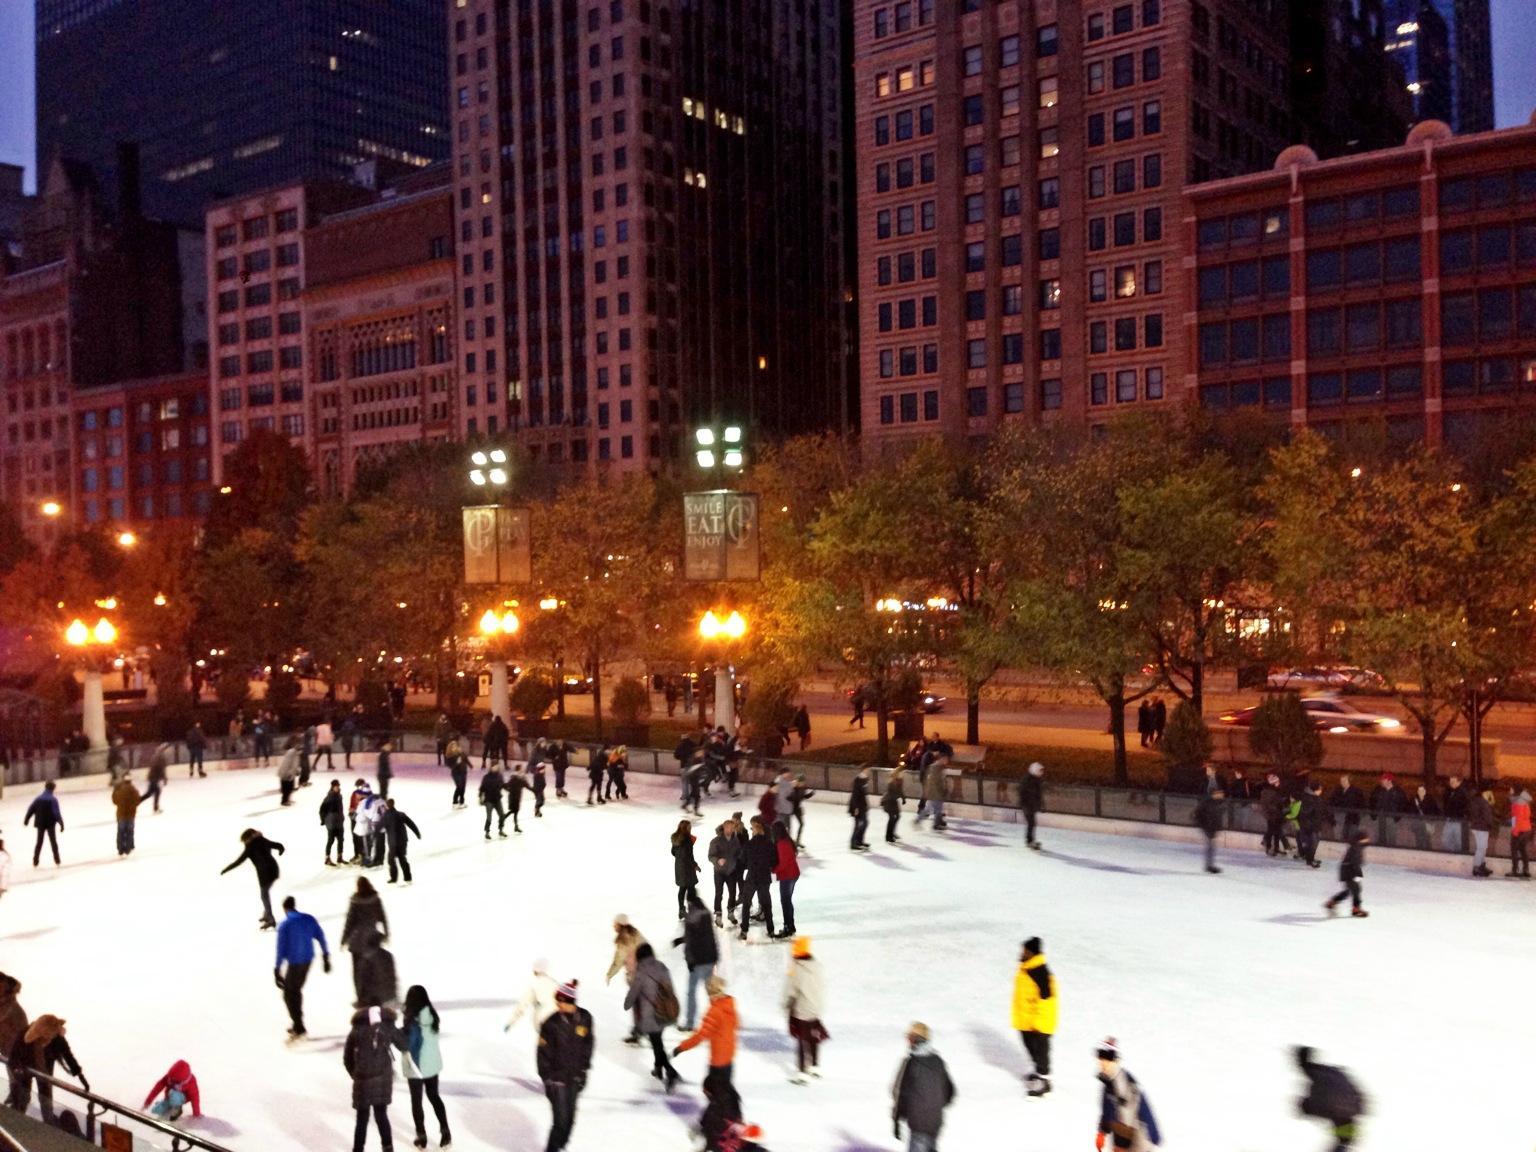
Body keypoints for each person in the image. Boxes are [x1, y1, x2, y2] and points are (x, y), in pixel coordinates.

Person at [537, 980, 593, 1152]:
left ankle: (560, 1146)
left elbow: (588, 1045)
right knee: (560, 1122)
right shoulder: (550, 1024)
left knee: (569, 1121)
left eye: (560, 1001)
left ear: (569, 1001)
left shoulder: (585, 1018)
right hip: (557, 1080)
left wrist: (583, 1071)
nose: (557, 1005)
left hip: (574, 1077)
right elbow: (542, 1054)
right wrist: (547, 1079)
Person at [343, 1005, 406, 1152]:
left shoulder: (355, 1030)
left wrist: (356, 1074)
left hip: (362, 1081)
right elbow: (404, 1045)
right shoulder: (388, 1027)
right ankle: (388, 1147)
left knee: (361, 1119)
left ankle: (358, 1149)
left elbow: (347, 1058)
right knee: (381, 1116)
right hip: (382, 1080)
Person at [8, 1014, 87, 1124]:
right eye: (48, 1036)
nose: (49, 1039)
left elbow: (68, 1056)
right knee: (23, 1097)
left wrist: (80, 1075)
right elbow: (13, 1057)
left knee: (46, 1100)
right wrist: (17, 1070)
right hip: (25, 1070)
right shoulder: (25, 1034)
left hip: (44, 1073)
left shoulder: (57, 1039)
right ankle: (16, 1120)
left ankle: (48, 1124)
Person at [891, 1021, 954, 1152]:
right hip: (935, 1122)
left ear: (918, 1040)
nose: (908, 1042)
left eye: (911, 1039)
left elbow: (901, 1093)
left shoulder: (911, 1063)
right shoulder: (938, 1061)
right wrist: (934, 1106)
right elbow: (950, 1091)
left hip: (918, 1124)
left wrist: (896, 1120)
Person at [402, 985, 452, 1150]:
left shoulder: (412, 1020)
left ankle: (421, 1136)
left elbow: (409, 1044)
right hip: (432, 1064)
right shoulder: (432, 1016)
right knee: (434, 1097)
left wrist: (398, 1036)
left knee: (417, 1102)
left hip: (416, 1066)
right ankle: (445, 1132)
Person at [626, 943, 682, 1090]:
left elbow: (634, 993)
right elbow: (669, 987)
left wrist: (627, 1003)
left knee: (657, 1044)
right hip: (665, 1011)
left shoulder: (641, 971)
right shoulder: (662, 966)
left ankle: (671, 1071)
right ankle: (658, 1068)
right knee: (657, 1041)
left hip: (651, 1015)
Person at [275, 896, 332, 1040]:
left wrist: (277, 969)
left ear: (285, 909)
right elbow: (321, 936)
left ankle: (299, 1026)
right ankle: (297, 1023)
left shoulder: (285, 925)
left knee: (289, 994)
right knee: (295, 991)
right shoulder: (309, 919)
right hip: (307, 960)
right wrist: (326, 956)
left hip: (295, 962)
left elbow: (280, 949)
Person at [1295, 1045, 1365, 1151]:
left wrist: (1307, 1107)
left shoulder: (1315, 1073)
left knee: (1304, 1105)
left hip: (1342, 1110)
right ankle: (1342, 1145)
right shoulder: (1328, 1071)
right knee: (1344, 1139)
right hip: (1350, 1111)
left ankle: (1341, 1145)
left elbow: (1329, 1100)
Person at [1095, 1038, 1161, 1151]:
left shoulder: (1121, 1082)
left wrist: (1120, 1146)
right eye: (1101, 1057)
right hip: (1127, 1140)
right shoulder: (1108, 1081)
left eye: (1108, 1059)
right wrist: (1102, 1131)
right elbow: (1108, 1110)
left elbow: (1127, 1118)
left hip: (1138, 1142)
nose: (1103, 1063)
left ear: (1116, 1061)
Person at [674, 974, 737, 1091]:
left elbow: (700, 1036)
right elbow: (736, 1026)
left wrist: (681, 1047)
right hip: (729, 1058)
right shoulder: (730, 1006)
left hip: (718, 1060)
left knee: (712, 1091)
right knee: (724, 1091)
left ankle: (720, 1109)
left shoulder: (714, 1012)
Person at [1012, 937, 1057, 1097]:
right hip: (1026, 1021)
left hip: (1039, 1024)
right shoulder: (1027, 968)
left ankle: (1044, 1082)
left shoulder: (1039, 972)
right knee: (1031, 1049)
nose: (1022, 953)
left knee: (1041, 1052)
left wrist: (1039, 1025)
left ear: (1032, 952)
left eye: (1025, 950)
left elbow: (1048, 1001)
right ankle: (1038, 1074)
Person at [220, 828, 285, 928]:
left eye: (244, 840)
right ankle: (267, 914)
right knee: (265, 894)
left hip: (264, 874)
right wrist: (281, 851)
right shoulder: (262, 840)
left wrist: (226, 869)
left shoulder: (250, 847)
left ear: (248, 838)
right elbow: (278, 845)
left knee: (264, 895)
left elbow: (239, 861)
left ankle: (270, 918)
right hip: (274, 870)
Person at [673, 892, 719, 1032]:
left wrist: (690, 960)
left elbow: (692, 941)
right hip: (710, 959)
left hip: (698, 962)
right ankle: (720, 1018)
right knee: (712, 992)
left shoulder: (691, 917)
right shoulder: (706, 914)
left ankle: (690, 1023)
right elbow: (706, 936)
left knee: (691, 992)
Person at [784, 936, 827, 1084]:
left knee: (802, 1039)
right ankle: (815, 1066)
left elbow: (790, 991)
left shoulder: (796, 968)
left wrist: (785, 1005)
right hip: (817, 1007)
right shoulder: (817, 965)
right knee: (814, 1037)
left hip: (802, 1009)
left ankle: (803, 1072)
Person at [343, 877, 391, 1005]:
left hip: (357, 942)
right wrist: (386, 933)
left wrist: (344, 939)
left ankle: (361, 998)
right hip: (372, 939)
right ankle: (373, 997)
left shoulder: (355, 901)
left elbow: (350, 922)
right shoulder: (375, 899)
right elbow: (383, 917)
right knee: (371, 969)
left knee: (357, 972)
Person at [606, 915, 647, 1044]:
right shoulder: (636, 933)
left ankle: (639, 1032)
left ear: (620, 924)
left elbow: (618, 961)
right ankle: (640, 1030)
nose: (613, 926)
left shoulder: (623, 939)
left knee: (637, 1005)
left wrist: (609, 974)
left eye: (615, 924)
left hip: (636, 976)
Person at [738, 817, 777, 942]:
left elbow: (742, 861)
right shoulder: (769, 844)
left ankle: (744, 930)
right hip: (764, 877)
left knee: (746, 904)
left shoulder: (748, 845)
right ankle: (770, 930)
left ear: (754, 831)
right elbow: (775, 860)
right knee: (766, 904)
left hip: (751, 877)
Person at [505, 958, 560, 1035]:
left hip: (542, 1020)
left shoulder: (534, 984)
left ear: (535, 970)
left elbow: (522, 1005)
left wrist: (510, 1023)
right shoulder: (555, 984)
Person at [1324, 830, 1370, 918]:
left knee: (1349, 891)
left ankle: (1331, 903)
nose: (1368, 840)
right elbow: (1354, 862)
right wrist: (1358, 874)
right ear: (1361, 839)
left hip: (1347, 870)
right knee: (1356, 889)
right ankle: (1356, 909)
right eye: (1366, 838)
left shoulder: (1357, 846)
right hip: (1349, 871)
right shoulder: (1355, 847)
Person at [708, 820, 741, 929]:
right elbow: (710, 856)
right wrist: (717, 860)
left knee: (732, 893)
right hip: (719, 872)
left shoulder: (735, 840)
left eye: (732, 828)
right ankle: (718, 915)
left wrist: (738, 860)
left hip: (731, 871)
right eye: (728, 828)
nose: (730, 830)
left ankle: (730, 912)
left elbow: (738, 853)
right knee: (719, 893)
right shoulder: (716, 841)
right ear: (724, 828)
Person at [382, 799, 421, 884]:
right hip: (402, 841)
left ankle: (394, 878)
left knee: (391, 860)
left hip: (393, 843)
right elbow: (411, 824)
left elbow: (379, 827)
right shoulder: (401, 814)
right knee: (402, 859)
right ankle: (407, 877)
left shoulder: (386, 815)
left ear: (387, 805)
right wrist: (417, 833)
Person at [772, 820, 800, 938]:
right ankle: (790, 926)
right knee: (787, 901)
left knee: (786, 902)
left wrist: (773, 870)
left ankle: (788, 927)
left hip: (788, 876)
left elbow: (783, 863)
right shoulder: (787, 841)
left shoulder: (782, 844)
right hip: (793, 874)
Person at [673, 819, 702, 919]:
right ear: (686, 828)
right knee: (690, 888)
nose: (691, 828)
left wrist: (679, 857)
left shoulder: (676, 838)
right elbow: (689, 855)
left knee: (682, 888)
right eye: (690, 827)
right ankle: (692, 909)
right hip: (687, 868)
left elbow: (673, 852)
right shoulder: (687, 839)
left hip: (679, 866)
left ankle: (681, 909)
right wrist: (695, 865)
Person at [1297, 782, 1327, 869]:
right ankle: (1309, 860)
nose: (1321, 791)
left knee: (1315, 842)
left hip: (1315, 824)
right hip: (1309, 825)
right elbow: (1306, 812)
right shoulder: (1309, 799)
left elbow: (1321, 811)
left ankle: (1310, 859)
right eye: (1320, 789)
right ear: (1315, 790)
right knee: (1312, 842)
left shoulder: (1316, 798)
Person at [112, 771, 141, 857]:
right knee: (129, 831)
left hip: (121, 814)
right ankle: (128, 847)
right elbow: (137, 800)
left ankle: (120, 848)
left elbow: (114, 800)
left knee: (121, 831)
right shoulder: (133, 789)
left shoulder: (118, 788)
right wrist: (133, 806)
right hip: (130, 814)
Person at [1259, 773, 1288, 857]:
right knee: (1272, 830)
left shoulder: (1275, 791)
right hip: (1273, 815)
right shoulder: (1269, 792)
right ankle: (1269, 847)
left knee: (1276, 831)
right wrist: (1279, 809)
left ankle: (1275, 848)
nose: (1279, 783)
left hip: (1276, 814)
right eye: (1278, 781)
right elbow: (1269, 805)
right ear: (1274, 782)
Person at [1468, 787, 1495, 877]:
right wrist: (1491, 825)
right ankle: (1477, 867)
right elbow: (1488, 816)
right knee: (1482, 848)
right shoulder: (1484, 803)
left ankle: (1481, 865)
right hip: (1482, 827)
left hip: (1475, 827)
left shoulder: (1474, 801)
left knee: (1482, 847)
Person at [1507, 781, 1532, 878]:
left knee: (1514, 849)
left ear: (1515, 790)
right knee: (1522, 849)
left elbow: (1518, 818)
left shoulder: (1519, 801)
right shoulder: (1522, 799)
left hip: (1520, 829)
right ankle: (1526, 870)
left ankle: (1515, 870)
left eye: (1511, 788)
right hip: (1526, 829)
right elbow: (1516, 816)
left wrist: (1515, 830)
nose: (1510, 790)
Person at [1195, 788, 1223, 873]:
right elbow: (1198, 813)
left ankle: (1209, 865)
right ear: (1214, 794)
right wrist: (1204, 825)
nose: (1221, 795)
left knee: (1211, 847)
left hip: (1212, 828)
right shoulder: (1207, 803)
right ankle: (1209, 865)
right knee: (1210, 847)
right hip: (1208, 828)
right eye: (1220, 793)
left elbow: (1216, 817)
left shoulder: (1216, 803)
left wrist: (1217, 827)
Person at [1329, 774, 1365, 840]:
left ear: (1349, 781)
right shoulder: (1337, 791)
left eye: (1344, 781)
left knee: (1351, 837)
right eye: (1341, 781)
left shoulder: (1357, 792)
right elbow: (1332, 802)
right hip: (1340, 819)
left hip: (1352, 819)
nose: (1342, 782)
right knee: (1341, 837)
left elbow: (1361, 804)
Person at [1019, 762, 1044, 850]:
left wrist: (1040, 804)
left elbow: (1038, 794)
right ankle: (1029, 841)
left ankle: (1030, 840)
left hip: (1031, 806)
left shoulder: (1035, 780)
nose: (1042, 772)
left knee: (1032, 823)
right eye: (1040, 770)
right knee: (1031, 823)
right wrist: (1025, 805)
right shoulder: (1028, 780)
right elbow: (1023, 793)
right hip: (1027, 806)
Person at [321, 779, 347, 866]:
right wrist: (323, 820)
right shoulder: (329, 798)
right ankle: (327, 858)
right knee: (331, 840)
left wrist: (342, 818)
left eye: (338, 786)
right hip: (331, 823)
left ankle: (340, 857)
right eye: (336, 786)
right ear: (332, 787)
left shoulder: (339, 796)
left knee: (341, 840)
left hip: (339, 822)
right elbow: (322, 810)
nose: (338, 787)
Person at [921, 754, 949, 831]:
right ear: (941, 759)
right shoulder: (935, 767)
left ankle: (938, 822)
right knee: (936, 808)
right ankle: (935, 824)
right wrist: (939, 791)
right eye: (945, 759)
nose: (946, 761)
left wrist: (945, 788)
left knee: (935, 808)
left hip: (937, 792)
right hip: (934, 792)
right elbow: (934, 781)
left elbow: (942, 779)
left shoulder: (940, 767)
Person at [481, 762, 509, 840]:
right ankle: (487, 832)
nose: (496, 768)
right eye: (494, 766)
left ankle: (501, 830)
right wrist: (480, 798)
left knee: (502, 815)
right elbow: (482, 788)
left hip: (497, 799)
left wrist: (509, 789)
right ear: (491, 767)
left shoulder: (500, 776)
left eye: (497, 767)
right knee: (489, 818)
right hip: (489, 800)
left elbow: (503, 785)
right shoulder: (486, 777)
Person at [848, 766, 872, 851]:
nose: (869, 771)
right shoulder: (858, 780)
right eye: (868, 769)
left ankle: (859, 841)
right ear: (864, 770)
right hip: (856, 806)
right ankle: (853, 843)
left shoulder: (865, 779)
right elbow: (855, 795)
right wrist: (855, 808)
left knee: (865, 823)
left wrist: (867, 804)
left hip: (863, 805)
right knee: (858, 824)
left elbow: (864, 794)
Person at [143, 744, 169, 812]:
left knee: (149, 793)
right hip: (154, 777)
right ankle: (155, 808)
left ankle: (155, 808)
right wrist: (164, 778)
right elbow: (161, 768)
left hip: (153, 776)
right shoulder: (161, 757)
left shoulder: (157, 755)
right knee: (155, 792)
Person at [790, 775, 814, 847]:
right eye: (801, 782)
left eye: (803, 782)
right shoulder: (792, 788)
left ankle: (797, 841)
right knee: (787, 826)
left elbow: (803, 797)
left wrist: (810, 794)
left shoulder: (803, 788)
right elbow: (791, 798)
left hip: (797, 809)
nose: (803, 784)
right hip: (789, 809)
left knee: (801, 824)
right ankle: (788, 841)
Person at [277, 736, 301, 806]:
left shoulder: (295, 753)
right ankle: (284, 801)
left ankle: (288, 799)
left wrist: (296, 771)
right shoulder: (291, 752)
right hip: (286, 774)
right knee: (286, 789)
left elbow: (295, 764)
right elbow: (286, 763)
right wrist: (288, 773)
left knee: (290, 787)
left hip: (290, 774)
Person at [447, 737, 469, 808]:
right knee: (459, 787)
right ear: (450, 748)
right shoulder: (449, 756)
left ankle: (462, 802)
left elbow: (465, 758)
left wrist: (470, 765)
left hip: (463, 772)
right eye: (453, 747)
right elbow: (450, 766)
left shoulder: (460, 753)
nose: (454, 748)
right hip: (456, 773)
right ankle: (455, 802)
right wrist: (456, 763)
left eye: (455, 746)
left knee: (463, 787)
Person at [506, 765, 528, 833]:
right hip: (513, 797)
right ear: (518, 769)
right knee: (514, 811)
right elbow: (507, 785)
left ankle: (515, 826)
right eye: (522, 768)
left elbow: (526, 785)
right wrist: (510, 791)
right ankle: (503, 818)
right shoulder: (514, 777)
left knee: (515, 812)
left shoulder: (522, 777)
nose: (523, 769)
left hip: (518, 797)